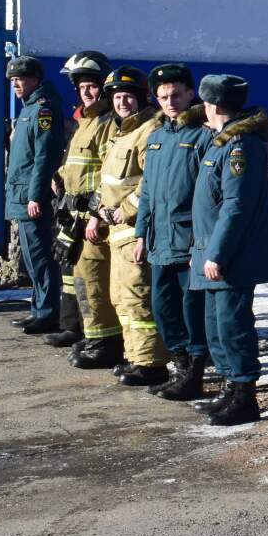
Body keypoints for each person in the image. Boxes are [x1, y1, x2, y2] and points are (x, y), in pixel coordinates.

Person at [190, 74, 268, 426]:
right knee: (216, 325)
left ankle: (244, 397)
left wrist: (217, 253)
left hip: (231, 257)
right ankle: (229, 388)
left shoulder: (240, 145)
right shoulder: (219, 141)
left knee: (233, 325)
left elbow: (235, 207)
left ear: (212, 105)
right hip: (214, 251)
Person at [131, 63, 213, 400]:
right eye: (163, 96)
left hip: (189, 239)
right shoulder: (157, 138)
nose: (169, 101)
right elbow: (147, 191)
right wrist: (140, 233)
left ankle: (194, 376)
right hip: (158, 240)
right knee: (164, 310)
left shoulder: (203, 136)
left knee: (191, 311)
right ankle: (179, 366)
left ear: (190, 94)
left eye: (176, 94)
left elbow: (209, 194)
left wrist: (205, 242)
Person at [94, 66, 168, 386]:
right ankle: (134, 356)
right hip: (117, 233)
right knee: (122, 298)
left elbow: (151, 182)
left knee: (138, 296)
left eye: (128, 96)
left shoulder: (149, 130)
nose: (122, 102)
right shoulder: (120, 132)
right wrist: (99, 211)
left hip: (136, 230)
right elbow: (110, 181)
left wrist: (126, 210)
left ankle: (151, 363)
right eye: (117, 97)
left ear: (141, 97)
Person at [48, 51, 124, 362]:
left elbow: (109, 173)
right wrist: (60, 176)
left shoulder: (107, 124)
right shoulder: (85, 121)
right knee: (79, 279)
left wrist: (96, 215)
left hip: (93, 218)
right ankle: (88, 335)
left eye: (92, 86)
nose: (87, 92)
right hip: (74, 216)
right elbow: (78, 165)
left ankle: (104, 344)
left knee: (94, 280)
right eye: (81, 87)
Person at [4, 55, 67, 335]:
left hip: (31, 195)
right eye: (14, 80)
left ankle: (48, 312)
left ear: (36, 79)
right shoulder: (28, 108)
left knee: (40, 254)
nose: (17, 84)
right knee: (31, 256)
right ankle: (39, 308)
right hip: (20, 193)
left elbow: (44, 157)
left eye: (22, 79)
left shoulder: (43, 110)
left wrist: (35, 195)